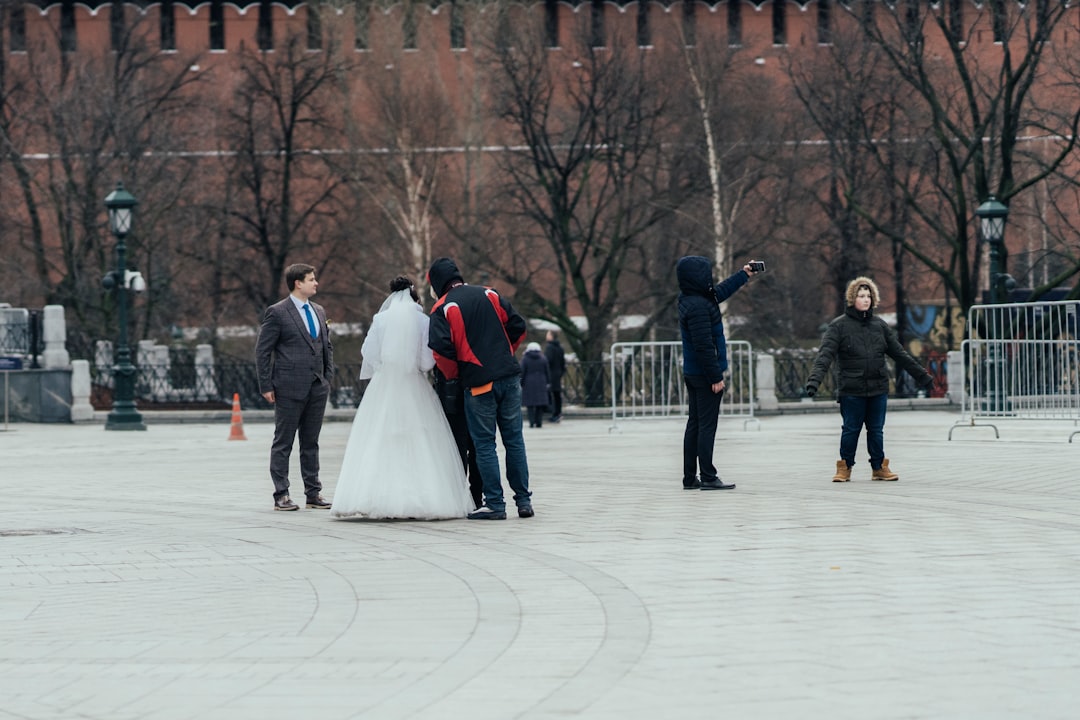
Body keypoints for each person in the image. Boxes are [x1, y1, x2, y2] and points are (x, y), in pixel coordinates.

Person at [331, 277, 475, 520]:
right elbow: (427, 360)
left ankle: (373, 496)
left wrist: (384, 367)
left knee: (378, 439)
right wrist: (416, 368)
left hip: (384, 385)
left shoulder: (380, 319)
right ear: (413, 294)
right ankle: (422, 497)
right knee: (420, 439)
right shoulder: (422, 320)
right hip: (413, 386)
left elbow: (368, 351)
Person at [427, 257, 534, 520]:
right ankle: (523, 501)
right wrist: (505, 354)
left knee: (484, 444)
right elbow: (518, 326)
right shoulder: (489, 293)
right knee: (514, 441)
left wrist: (457, 376)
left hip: (478, 383)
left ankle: (495, 504)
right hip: (509, 376)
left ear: (438, 283)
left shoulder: (442, 307)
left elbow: (441, 350)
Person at [804, 276, 934, 482]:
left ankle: (879, 467)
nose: (865, 299)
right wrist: (814, 381)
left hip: (877, 387)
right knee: (850, 430)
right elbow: (825, 356)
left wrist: (923, 376)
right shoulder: (838, 326)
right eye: (861, 296)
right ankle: (844, 467)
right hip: (851, 389)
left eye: (869, 296)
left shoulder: (880, 326)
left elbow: (900, 355)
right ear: (852, 299)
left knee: (876, 430)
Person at [255, 263, 335, 511]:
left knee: (311, 442)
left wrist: (327, 376)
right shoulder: (278, 312)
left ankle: (313, 492)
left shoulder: (319, 311)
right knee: (284, 441)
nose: (316, 283)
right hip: (288, 387)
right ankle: (282, 494)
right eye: (311, 279)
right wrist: (266, 384)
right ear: (297, 283)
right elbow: (263, 350)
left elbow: (325, 346)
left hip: (317, 386)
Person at [677, 255, 760, 491]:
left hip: (693, 372)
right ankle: (708, 476)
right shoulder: (699, 307)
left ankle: (689, 477)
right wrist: (715, 376)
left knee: (694, 424)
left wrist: (744, 274)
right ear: (697, 277)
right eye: (706, 274)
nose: (710, 278)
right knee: (706, 426)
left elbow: (720, 292)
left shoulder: (691, 299)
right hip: (704, 375)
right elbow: (703, 346)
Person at [433, 364, 483, 509]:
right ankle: (476, 496)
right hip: (477, 379)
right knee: (478, 444)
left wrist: (451, 372)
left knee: (457, 445)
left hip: (451, 384)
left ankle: (460, 495)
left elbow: (439, 350)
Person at [520, 341, 551, 428]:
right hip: (541, 382)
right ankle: (539, 422)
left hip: (528, 383)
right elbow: (547, 372)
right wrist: (548, 382)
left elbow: (522, 372)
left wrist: (521, 383)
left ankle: (531, 422)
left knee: (530, 405)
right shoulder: (543, 358)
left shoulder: (525, 359)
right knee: (540, 404)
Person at [544, 330, 566, 422]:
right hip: (558, 373)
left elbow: (547, 360)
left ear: (551, 336)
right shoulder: (560, 347)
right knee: (557, 394)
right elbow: (562, 362)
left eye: (548, 334)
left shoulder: (549, 347)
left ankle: (553, 412)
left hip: (551, 374)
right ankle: (558, 412)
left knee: (550, 393)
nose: (546, 336)